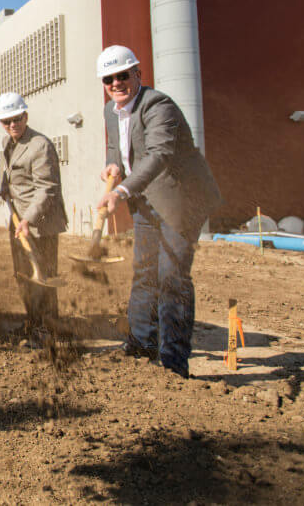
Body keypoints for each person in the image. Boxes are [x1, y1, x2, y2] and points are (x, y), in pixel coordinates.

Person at [96, 45, 222, 378]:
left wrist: (121, 191)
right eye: (109, 79)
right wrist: (113, 165)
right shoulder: (112, 110)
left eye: (123, 75)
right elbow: (117, 147)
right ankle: (140, 345)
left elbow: (159, 154)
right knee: (144, 270)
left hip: (182, 200)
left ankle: (173, 360)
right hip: (147, 200)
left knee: (171, 276)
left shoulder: (158, 106)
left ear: (138, 74)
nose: (116, 83)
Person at [0, 91, 67, 334]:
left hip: (40, 222)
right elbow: (13, 173)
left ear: (26, 116)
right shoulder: (8, 143)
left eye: (17, 119)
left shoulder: (40, 145)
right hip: (18, 218)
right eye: (7, 121)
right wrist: (4, 188)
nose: (13, 125)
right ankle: (33, 322)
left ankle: (48, 329)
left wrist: (28, 219)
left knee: (43, 277)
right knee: (24, 274)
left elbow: (47, 188)